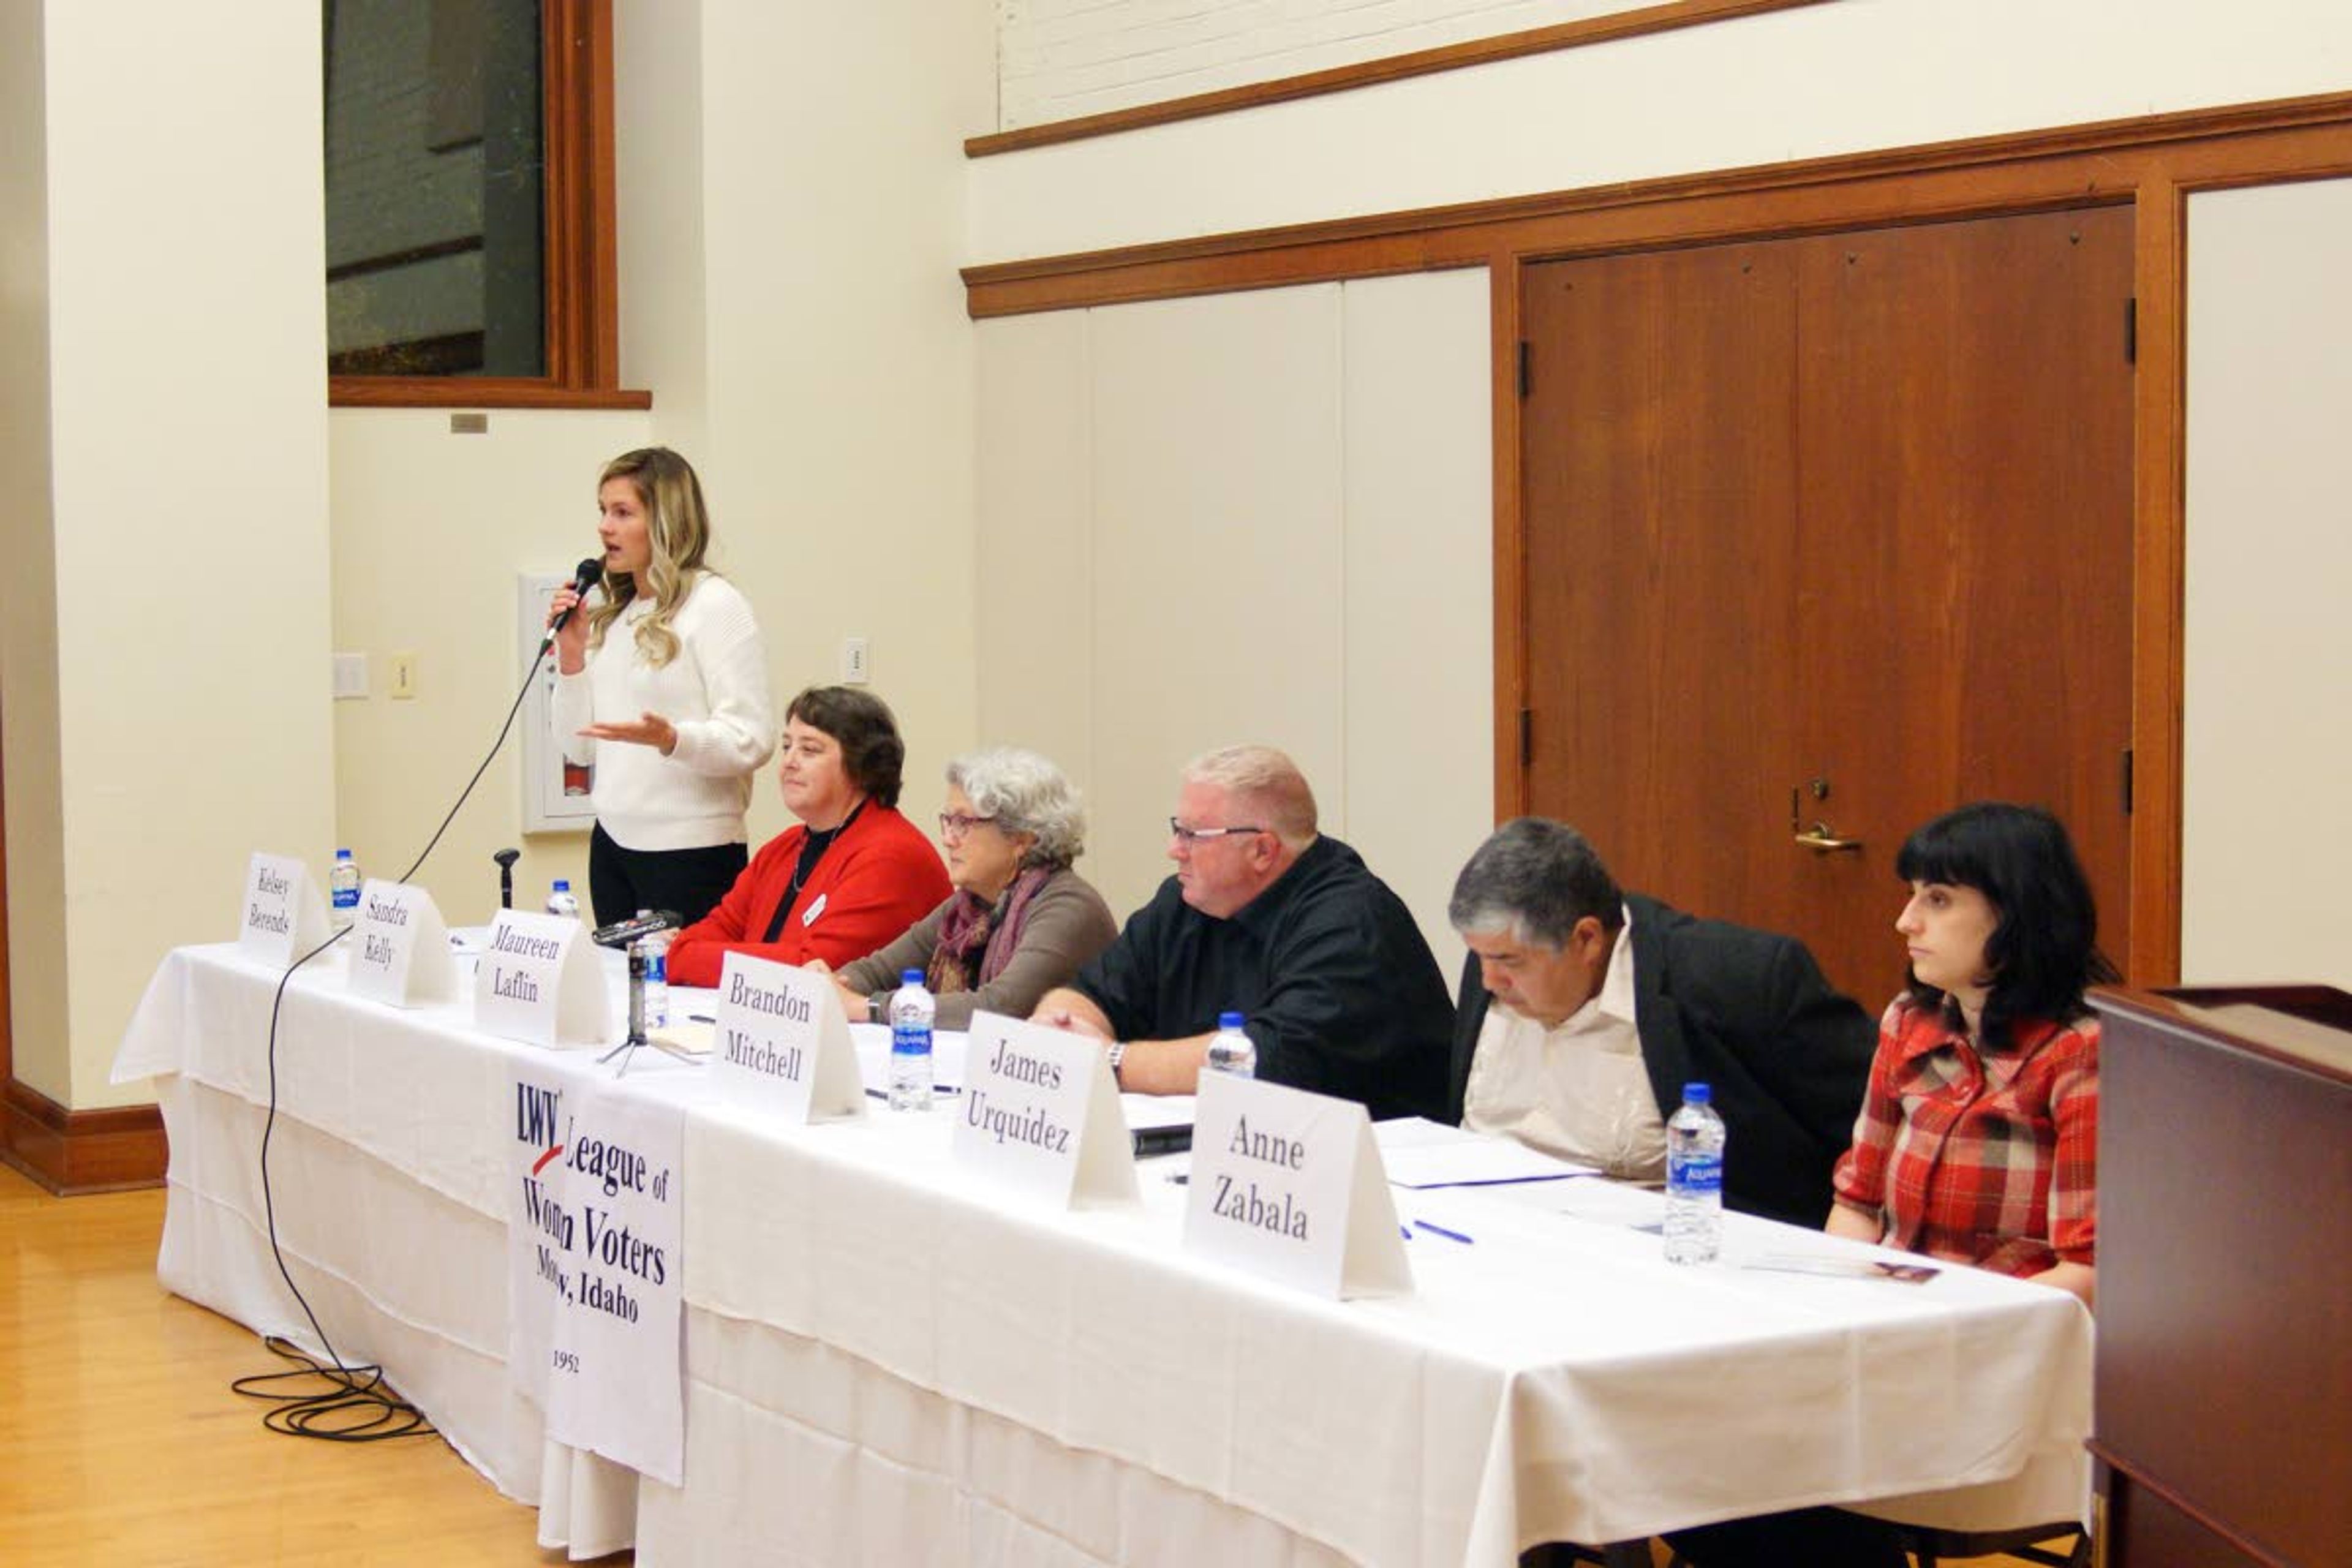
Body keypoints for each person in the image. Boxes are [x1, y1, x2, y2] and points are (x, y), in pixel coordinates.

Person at [1664, 802, 2115, 1568]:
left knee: (1755, 1484)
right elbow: (1857, 1201)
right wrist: (1840, 1311)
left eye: (1937, 899)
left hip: (2003, 1360)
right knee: (1692, 1447)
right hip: (1886, 1338)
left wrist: (1938, 1331)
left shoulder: (2083, 1052)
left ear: (2016, 915)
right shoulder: (1911, 1021)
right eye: (1911, 895)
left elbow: (2089, 1270)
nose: (1906, 921)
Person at [1447, 817, 1874, 1227]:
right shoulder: (1494, 968)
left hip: (1669, 1253)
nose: (1489, 980)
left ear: (1586, 940)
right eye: (1480, 956)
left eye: (1508, 961)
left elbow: (1874, 1124)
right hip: (1486, 1234)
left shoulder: (1738, 980)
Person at [1030, 745, 1453, 1121]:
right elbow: (1095, 991)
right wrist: (1060, 1025)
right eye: (1177, 829)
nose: (1174, 850)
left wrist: (1113, 1060)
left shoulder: (1351, 922)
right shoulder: (1185, 901)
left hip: (1375, 1180)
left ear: (1262, 850)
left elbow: (1265, 1059)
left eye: (1193, 835)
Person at [548, 447, 775, 927]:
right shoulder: (618, 617)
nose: (604, 527)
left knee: (680, 997)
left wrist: (673, 740)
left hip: (691, 853)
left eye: (623, 512)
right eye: (603, 511)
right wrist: (571, 658)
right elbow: (579, 748)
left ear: (666, 523)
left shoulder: (715, 606)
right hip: (612, 847)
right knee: (620, 993)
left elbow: (752, 738)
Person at [810, 747, 1118, 1029]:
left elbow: (999, 1008)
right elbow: (879, 970)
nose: (948, 838)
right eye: (948, 821)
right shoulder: (968, 907)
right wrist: (827, 987)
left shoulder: (1068, 906)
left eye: (964, 824)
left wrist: (871, 1007)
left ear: (1022, 840)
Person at [665, 687, 949, 989]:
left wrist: (687, 956)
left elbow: (814, 972)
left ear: (862, 766)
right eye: (787, 747)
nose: (789, 761)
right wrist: (686, 952)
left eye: (809, 750)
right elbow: (712, 930)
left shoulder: (891, 856)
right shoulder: (784, 848)